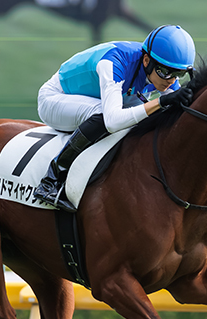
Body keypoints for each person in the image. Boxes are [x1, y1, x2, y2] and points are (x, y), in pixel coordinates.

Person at [33, 24, 195, 212]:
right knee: (104, 113)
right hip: (54, 99)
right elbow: (111, 121)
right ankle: (51, 179)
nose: (171, 80)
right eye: (165, 72)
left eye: (178, 74)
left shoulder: (163, 72)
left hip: (96, 100)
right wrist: (160, 102)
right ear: (146, 61)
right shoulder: (114, 62)